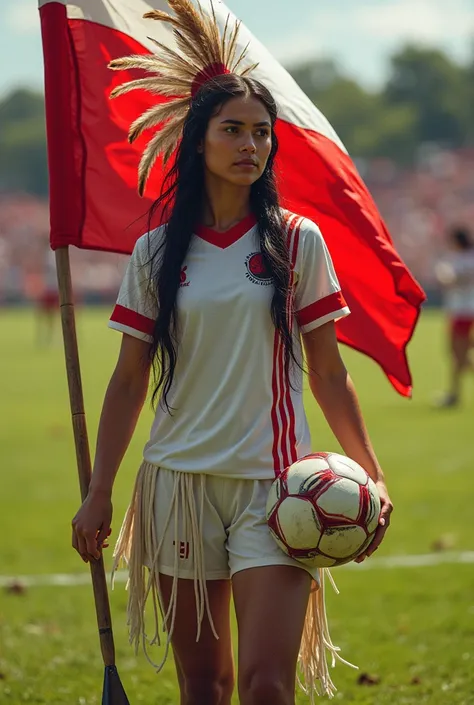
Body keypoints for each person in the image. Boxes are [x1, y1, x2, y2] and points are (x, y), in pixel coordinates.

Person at [71, 2, 393, 702]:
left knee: (268, 684)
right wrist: (100, 490)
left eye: (261, 133)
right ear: (198, 142)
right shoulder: (155, 252)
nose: (251, 145)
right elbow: (128, 382)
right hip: (176, 486)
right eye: (233, 130)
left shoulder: (297, 241)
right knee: (205, 686)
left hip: (278, 488)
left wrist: (370, 472)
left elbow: (331, 371)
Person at [435, 226, 474, 407]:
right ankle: (454, 394)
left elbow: (448, 280)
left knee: (457, 356)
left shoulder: (457, 260)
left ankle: (454, 394)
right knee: (460, 357)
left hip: (461, 312)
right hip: (468, 311)